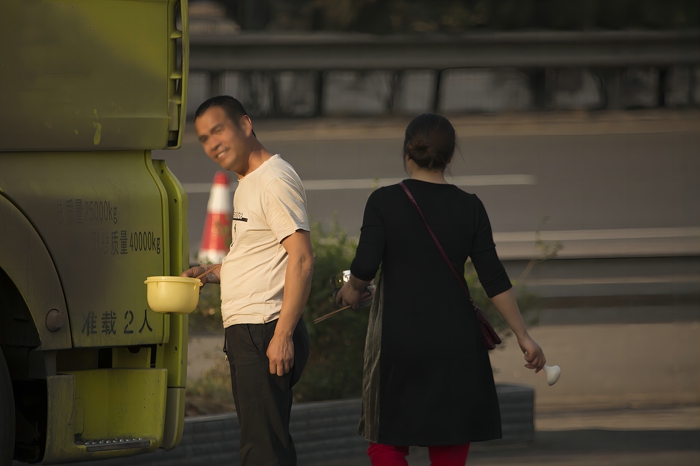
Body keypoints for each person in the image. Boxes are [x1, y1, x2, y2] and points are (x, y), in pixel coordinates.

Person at [335, 113, 547, 466]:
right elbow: (494, 278)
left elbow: (364, 266)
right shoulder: (471, 207)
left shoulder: (384, 201)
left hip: (399, 341)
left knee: (385, 441)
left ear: (407, 153)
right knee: (448, 444)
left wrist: (352, 291)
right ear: (450, 158)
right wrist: (524, 337)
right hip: (456, 341)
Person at [182, 96, 313, 466]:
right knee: (267, 442)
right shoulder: (249, 182)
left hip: (264, 329)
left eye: (218, 130)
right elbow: (258, 258)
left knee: (261, 450)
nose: (212, 144)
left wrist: (282, 335)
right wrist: (207, 274)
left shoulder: (273, 179)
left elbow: (301, 258)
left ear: (245, 125)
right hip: (252, 331)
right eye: (205, 138)